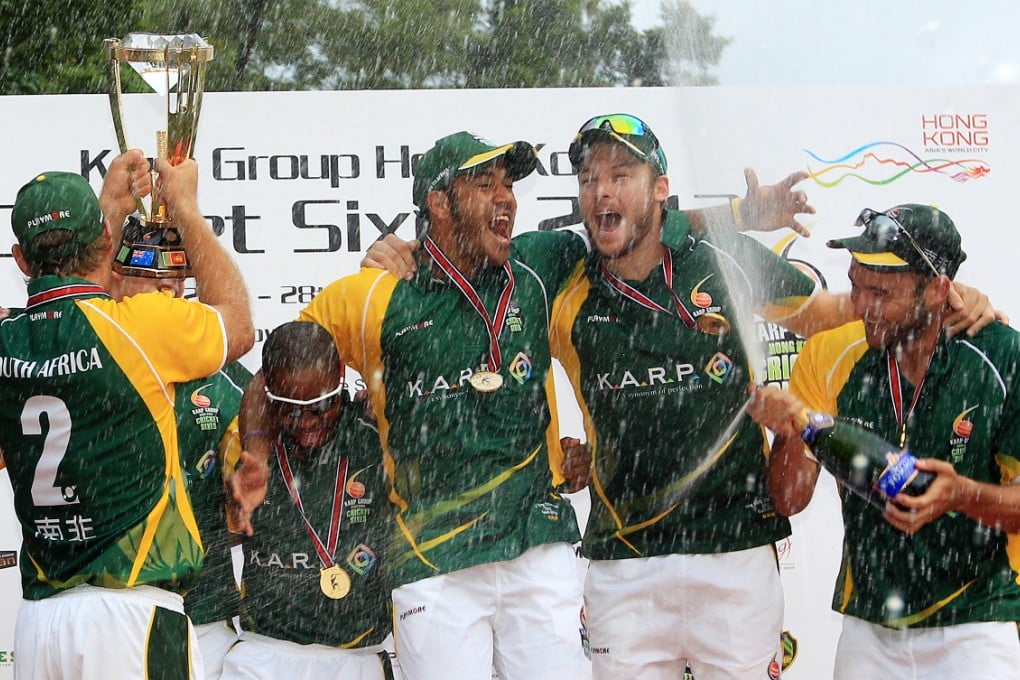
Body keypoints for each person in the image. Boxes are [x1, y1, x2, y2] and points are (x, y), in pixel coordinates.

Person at [362, 114, 997, 680]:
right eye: (589, 178)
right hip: (623, 563)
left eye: (621, 174)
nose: (602, 191)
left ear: (660, 188)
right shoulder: (565, 278)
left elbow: (830, 312)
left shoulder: (725, 261)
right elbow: (475, 306)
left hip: (736, 550)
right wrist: (409, 253)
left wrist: (948, 302)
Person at [233, 131, 593, 680]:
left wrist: (743, 211)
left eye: (509, 185)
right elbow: (269, 374)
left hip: (535, 543)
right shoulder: (373, 294)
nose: (506, 199)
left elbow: (639, 238)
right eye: (484, 183)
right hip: (433, 559)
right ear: (439, 202)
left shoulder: (540, 265)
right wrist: (256, 455)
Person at [0, 151, 254, 679]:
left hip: (39, 620)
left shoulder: (6, 341)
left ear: (20, 260)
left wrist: (108, 211)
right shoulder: (141, 327)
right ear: (107, 248)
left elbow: (68, 303)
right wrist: (184, 205)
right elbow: (237, 322)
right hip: (129, 614)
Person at [747, 204, 1020, 679]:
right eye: (855, 284)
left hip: (976, 619)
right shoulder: (830, 352)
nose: (862, 306)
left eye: (881, 292)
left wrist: (961, 495)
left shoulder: (1000, 356)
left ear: (938, 290)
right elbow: (788, 499)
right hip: (869, 627)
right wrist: (791, 432)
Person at [99, 165, 252, 680]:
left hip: (201, 614)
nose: (172, 294)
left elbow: (258, 456)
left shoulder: (223, 370)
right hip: (110, 605)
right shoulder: (88, 356)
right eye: (154, 282)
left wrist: (246, 469)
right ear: (114, 280)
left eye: (178, 282)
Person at [220, 321, 393, 678]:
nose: (308, 422)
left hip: (359, 653)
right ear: (269, 395)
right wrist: (233, 508)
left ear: (342, 379)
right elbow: (224, 538)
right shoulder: (249, 449)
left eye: (323, 405)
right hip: (264, 652)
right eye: (291, 409)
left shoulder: (375, 437)